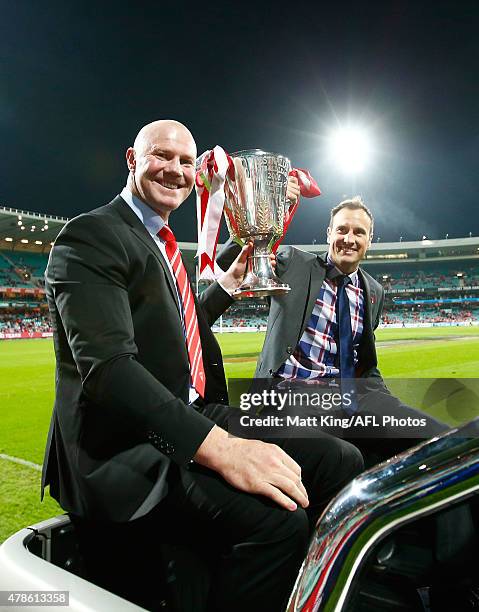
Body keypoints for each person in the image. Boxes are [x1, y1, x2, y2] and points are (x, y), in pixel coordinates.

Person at [41, 120, 363, 612]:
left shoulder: (160, 241)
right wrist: (224, 449)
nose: (175, 170)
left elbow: (177, 329)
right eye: (162, 156)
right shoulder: (92, 236)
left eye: (187, 162)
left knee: (341, 459)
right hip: (124, 446)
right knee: (277, 522)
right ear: (132, 159)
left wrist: (228, 283)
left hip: (184, 413)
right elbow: (109, 369)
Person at [219, 192, 449, 462]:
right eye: (342, 230)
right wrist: (271, 205)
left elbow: (364, 360)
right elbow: (227, 265)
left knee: (440, 436)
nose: (349, 239)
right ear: (329, 233)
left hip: (355, 395)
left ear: (369, 241)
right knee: (342, 457)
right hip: (295, 393)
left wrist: (383, 402)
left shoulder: (373, 290)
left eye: (359, 232)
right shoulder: (293, 262)